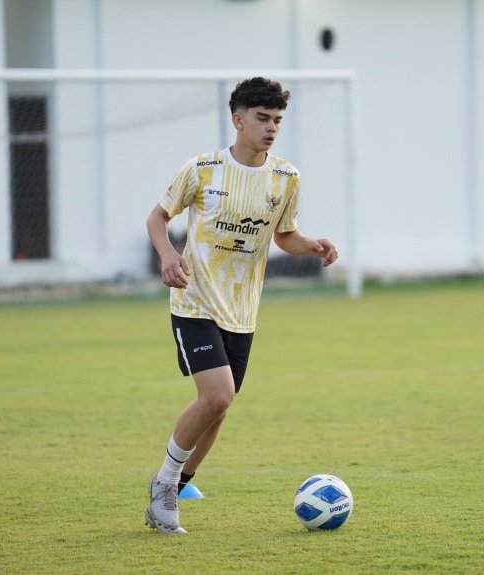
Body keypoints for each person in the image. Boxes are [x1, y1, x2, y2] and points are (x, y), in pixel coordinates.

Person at [144, 77, 338, 534]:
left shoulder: (286, 177)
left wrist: (311, 244)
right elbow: (157, 217)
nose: (271, 128)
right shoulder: (202, 169)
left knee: (219, 407)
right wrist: (168, 254)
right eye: (262, 118)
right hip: (194, 302)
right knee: (218, 394)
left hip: (243, 310)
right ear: (238, 120)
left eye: (277, 120)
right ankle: (164, 487)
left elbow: (283, 233)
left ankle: (181, 478)